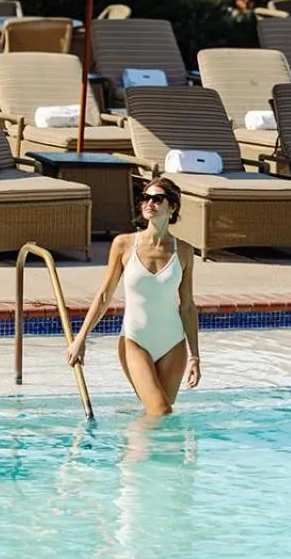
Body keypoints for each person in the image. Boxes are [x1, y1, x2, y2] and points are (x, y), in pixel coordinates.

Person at [66, 176, 200, 415]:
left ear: (173, 207)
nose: (149, 203)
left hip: (173, 344)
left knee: (159, 416)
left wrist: (195, 357)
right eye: (145, 198)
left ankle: (135, 448)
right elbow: (105, 294)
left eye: (157, 199)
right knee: (161, 410)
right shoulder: (124, 244)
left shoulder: (185, 251)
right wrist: (81, 338)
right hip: (135, 341)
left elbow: (187, 306)